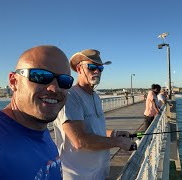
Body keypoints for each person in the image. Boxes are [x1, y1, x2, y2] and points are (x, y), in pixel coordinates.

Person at [0, 45, 74, 180]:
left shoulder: (40, 131)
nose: (54, 88)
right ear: (14, 81)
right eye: (40, 76)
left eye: (64, 81)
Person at [53, 49, 133, 179]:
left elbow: (92, 129)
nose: (97, 71)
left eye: (100, 68)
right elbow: (79, 140)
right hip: (78, 175)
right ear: (79, 69)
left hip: (98, 173)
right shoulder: (70, 96)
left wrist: (113, 133)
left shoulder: (95, 97)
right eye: (92, 67)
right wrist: (118, 142)